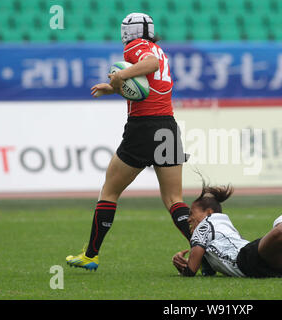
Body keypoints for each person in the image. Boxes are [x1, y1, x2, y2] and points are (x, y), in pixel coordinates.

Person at [66, 13, 193, 271]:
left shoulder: (136, 47)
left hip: (142, 128)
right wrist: (113, 88)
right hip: (167, 126)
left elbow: (148, 66)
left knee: (110, 191)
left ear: (129, 32)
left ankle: (91, 255)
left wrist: (120, 77)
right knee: (174, 199)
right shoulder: (159, 49)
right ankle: (206, 254)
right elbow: (146, 85)